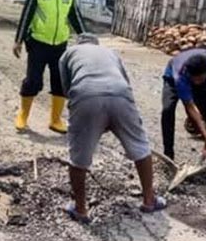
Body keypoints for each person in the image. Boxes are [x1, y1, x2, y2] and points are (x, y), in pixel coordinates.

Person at [59, 34, 165, 223]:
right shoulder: (110, 53)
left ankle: (80, 208)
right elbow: (125, 81)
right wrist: (113, 118)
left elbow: (66, 88)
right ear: (96, 44)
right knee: (140, 146)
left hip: (86, 95)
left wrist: (93, 120)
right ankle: (149, 200)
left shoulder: (68, 53)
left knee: (79, 157)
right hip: (120, 94)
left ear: (79, 44)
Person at [13, 0, 87, 134]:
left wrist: (86, 39)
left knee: (60, 81)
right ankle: (23, 115)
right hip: (38, 44)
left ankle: (55, 120)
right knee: (33, 80)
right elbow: (26, 16)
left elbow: (76, 18)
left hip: (60, 45)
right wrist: (18, 40)